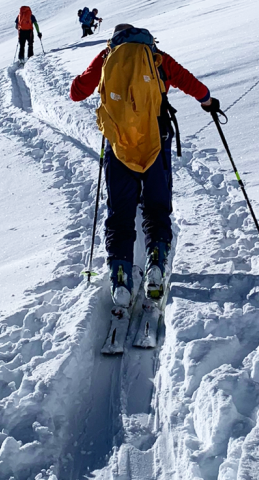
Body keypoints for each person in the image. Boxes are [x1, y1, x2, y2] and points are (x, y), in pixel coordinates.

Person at [70, 24, 220, 308]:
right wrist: (207, 101)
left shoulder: (106, 58)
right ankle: (155, 265)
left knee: (120, 213)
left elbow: (76, 93)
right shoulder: (157, 57)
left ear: (114, 40)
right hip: (156, 141)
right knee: (156, 207)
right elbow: (192, 84)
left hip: (118, 146)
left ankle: (121, 277)